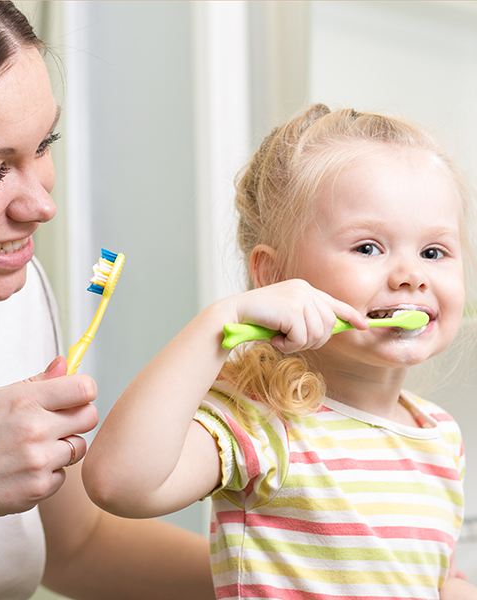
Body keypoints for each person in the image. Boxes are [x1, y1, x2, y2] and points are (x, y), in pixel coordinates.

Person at [0, 2, 214, 599]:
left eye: (43, 145)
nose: (40, 205)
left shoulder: (8, 301)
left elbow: (76, 546)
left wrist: (320, 578)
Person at [83, 104, 477, 599]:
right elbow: (118, 483)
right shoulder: (264, 424)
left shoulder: (440, 438)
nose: (411, 275)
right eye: (368, 248)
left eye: (434, 252)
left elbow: (428, 573)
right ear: (275, 277)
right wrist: (219, 322)